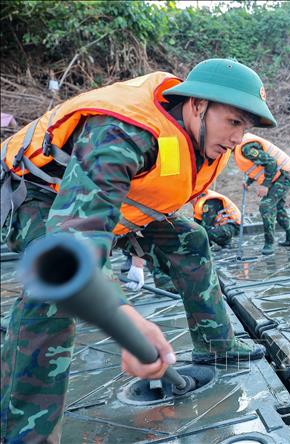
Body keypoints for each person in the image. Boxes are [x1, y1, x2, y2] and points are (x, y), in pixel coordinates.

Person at [0, 58, 275, 443]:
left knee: (190, 237)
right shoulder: (120, 132)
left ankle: (216, 344)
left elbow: (149, 192)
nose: (237, 138)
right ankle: (25, 432)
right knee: (53, 293)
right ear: (197, 105)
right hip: (37, 196)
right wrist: (124, 317)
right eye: (233, 122)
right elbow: (77, 235)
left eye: (245, 128)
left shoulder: (203, 142)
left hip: (124, 207)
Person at [234, 133, 290, 255]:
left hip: (284, 175)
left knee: (266, 206)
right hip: (282, 174)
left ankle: (269, 244)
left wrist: (265, 185)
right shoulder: (241, 148)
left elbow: (271, 163)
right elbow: (258, 167)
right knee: (279, 209)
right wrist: (248, 182)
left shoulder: (246, 148)